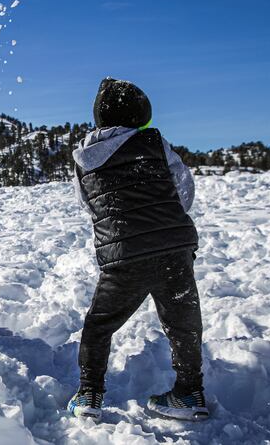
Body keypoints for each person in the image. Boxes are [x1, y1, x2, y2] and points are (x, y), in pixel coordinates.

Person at [67, 77, 207, 422]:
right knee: (182, 323)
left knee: (99, 325)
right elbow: (183, 188)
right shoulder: (155, 142)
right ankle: (190, 392)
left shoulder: (84, 158)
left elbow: (88, 203)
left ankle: (89, 394)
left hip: (124, 254)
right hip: (173, 246)